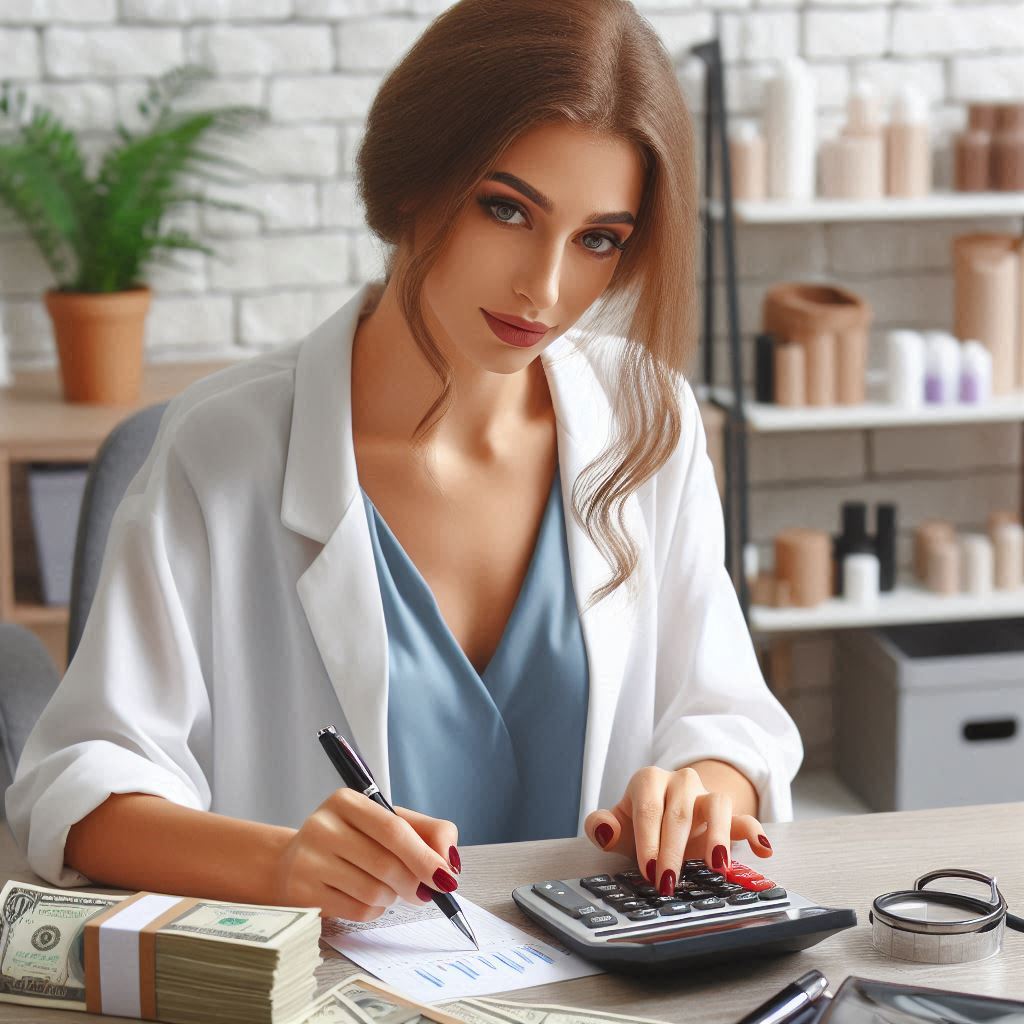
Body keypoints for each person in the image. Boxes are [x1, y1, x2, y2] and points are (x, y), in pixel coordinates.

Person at [7, 0, 802, 924]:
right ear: (416, 180)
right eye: (507, 209)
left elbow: (731, 721)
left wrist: (702, 789)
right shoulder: (221, 450)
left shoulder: (647, 422)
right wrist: (284, 863)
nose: (545, 289)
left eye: (598, 239)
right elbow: (77, 790)